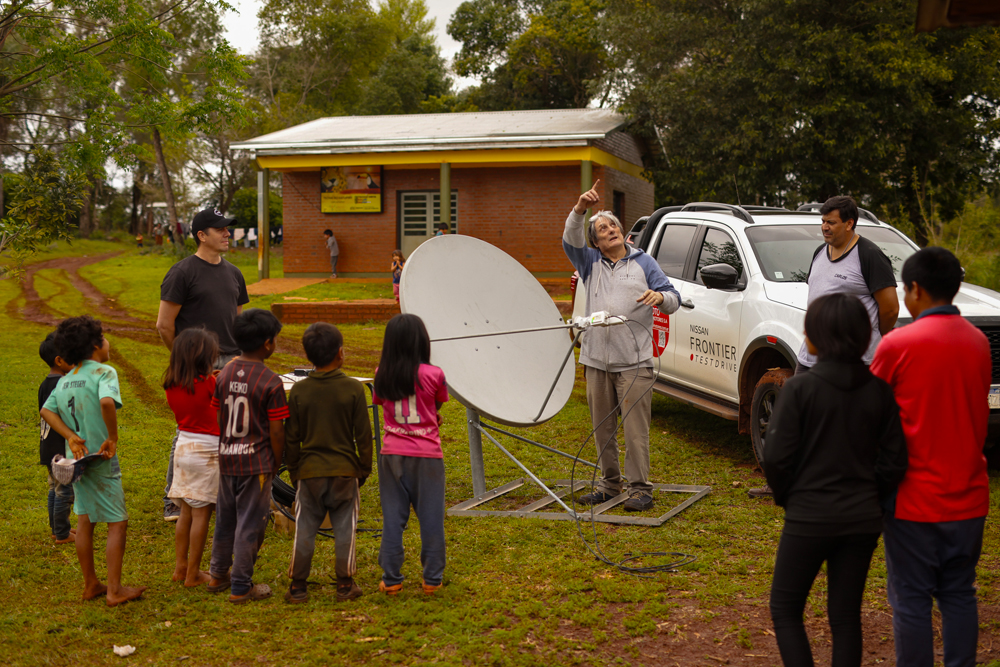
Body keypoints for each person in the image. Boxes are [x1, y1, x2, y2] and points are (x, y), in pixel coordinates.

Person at [764, 294, 908, 667]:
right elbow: (895, 461)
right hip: (862, 519)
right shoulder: (879, 390)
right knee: (845, 617)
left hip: (809, 516)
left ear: (814, 336)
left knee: (785, 608)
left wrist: (790, 499)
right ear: (864, 335)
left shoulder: (799, 389)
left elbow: (777, 459)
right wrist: (871, 498)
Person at [870, 247, 990, 667]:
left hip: (913, 500)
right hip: (970, 497)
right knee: (960, 593)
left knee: (911, 599)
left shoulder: (897, 344)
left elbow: (872, 412)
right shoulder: (979, 343)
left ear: (915, 290)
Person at [750, 195, 899, 499]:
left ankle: (854, 487)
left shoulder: (869, 255)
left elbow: (890, 309)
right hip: (812, 355)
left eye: (831, 222)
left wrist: (872, 340)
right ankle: (784, 481)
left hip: (855, 361)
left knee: (852, 427)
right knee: (799, 418)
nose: (825, 227)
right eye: (823, 221)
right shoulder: (820, 252)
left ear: (849, 223)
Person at [562, 179, 680, 512]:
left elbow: (674, 298)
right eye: (602, 228)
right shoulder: (589, 264)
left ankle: (641, 489)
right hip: (597, 360)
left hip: (634, 363)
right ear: (595, 242)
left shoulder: (645, 263)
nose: (610, 229)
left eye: (613, 224)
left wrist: (660, 297)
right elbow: (569, 237)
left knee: (635, 431)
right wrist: (580, 209)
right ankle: (609, 486)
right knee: (603, 430)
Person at [40, 315, 147, 607]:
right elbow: (106, 402)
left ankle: (91, 584)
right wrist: (111, 436)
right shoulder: (104, 372)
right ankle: (114, 590)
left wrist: (71, 436)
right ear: (96, 344)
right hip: (100, 458)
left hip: (77, 461)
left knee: (85, 519)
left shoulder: (64, 381)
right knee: (117, 522)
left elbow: (46, 412)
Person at [156, 207, 249, 521]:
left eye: (227, 229)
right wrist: (188, 362)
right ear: (201, 235)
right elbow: (164, 325)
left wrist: (241, 357)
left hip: (232, 359)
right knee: (189, 430)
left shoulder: (234, 272)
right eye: (220, 229)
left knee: (233, 427)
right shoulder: (182, 272)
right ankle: (174, 499)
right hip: (196, 364)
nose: (227, 234)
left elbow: (237, 320)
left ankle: (224, 495)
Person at [284, 323, 373, 604]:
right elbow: (364, 436)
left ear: (309, 357)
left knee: (305, 529)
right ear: (341, 353)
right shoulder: (353, 389)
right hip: (346, 473)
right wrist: (364, 470)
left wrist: (295, 473)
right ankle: (345, 585)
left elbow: (292, 438)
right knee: (345, 529)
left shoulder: (299, 392)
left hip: (309, 474)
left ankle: (298, 587)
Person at [207, 308, 288, 604]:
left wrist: (227, 444)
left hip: (228, 459)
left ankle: (217, 575)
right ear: (268, 343)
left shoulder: (224, 372)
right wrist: (276, 460)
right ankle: (241, 586)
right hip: (257, 464)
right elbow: (277, 431)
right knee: (250, 524)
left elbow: (219, 415)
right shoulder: (271, 381)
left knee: (226, 519)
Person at [372, 314, 449, 595]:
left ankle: (391, 580)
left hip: (391, 453)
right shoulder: (435, 374)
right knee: (431, 519)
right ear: (422, 342)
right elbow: (435, 405)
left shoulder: (382, 372)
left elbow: (383, 403)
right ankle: (432, 579)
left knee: (393, 519)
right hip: (427, 456)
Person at [163, 328, 221, 588]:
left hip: (183, 448)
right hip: (207, 452)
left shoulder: (172, 385)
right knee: (202, 515)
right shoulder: (211, 384)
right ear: (203, 358)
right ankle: (194, 574)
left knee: (186, 511)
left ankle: (180, 567)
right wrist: (216, 381)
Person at [38, 332, 76, 544]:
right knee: (64, 491)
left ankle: (57, 529)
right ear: (59, 360)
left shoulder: (46, 383)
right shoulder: (61, 384)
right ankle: (62, 533)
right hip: (60, 447)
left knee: (55, 488)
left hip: (47, 447)